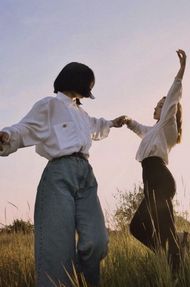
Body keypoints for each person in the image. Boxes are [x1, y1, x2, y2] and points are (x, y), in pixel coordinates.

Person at [0, 62, 126, 287]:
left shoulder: (82, 113)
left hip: (86, 175)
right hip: (59, 174)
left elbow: (96, 125)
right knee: (56, 250)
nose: (87, 96)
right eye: (86, 89)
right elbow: (25, 128)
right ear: (74, 82)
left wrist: (112, 123)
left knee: (97, 242)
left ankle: (78, 279)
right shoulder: (49, 105)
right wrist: (7, 135)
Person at [123, 50, 186, 273]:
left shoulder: (168, 124)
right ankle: (177, 250)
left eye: (159, 105)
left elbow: (173, 97)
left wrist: (180, 71)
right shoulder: (154, 131)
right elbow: (140, 129)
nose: (156, 107)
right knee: (149, 228)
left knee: (139, 226)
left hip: (160, 178)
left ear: (167, 110)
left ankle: (177, 260)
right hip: (151, 179)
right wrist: (128, 121)